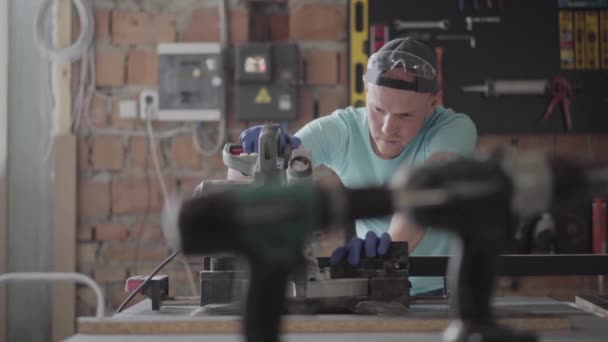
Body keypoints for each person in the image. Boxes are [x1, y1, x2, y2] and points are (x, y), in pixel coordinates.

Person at [238, 37, 477, 295]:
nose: (387, 128)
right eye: (378, 109)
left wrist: (385, 252)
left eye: (405, 115)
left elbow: (425, 192)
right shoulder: (343, 131)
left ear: (432, 104)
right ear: (366, 91)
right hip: (371, 290)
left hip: (442, 293)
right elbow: (254, 177)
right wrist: (261, 155)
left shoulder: (454, 129)